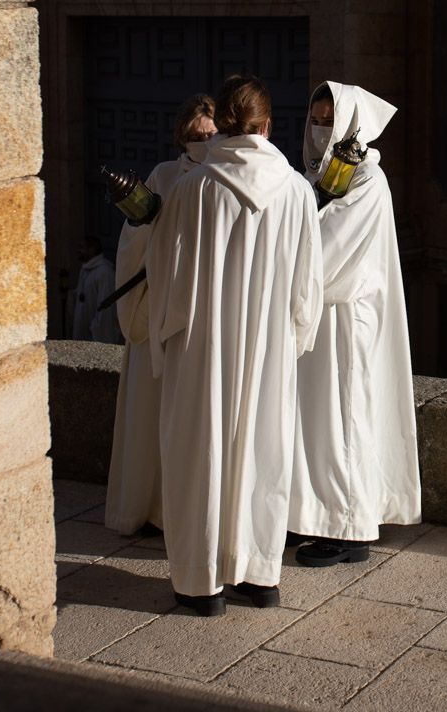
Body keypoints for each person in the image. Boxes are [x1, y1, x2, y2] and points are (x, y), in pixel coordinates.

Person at [144, 75, 324, 615]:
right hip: (267, 346)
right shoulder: (295, 189)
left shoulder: (193, 188)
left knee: (201, 451)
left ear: (222, 124)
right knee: (262, 452)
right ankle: (259, 576)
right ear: (268, 126)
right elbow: (307, 282)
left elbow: (167, 277)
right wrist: (294, 336)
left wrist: (166, 335)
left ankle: (201, 586)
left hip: (203, 347)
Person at [289, 82, 421, 566]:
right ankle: (312, 514)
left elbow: (332, 248)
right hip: (316, 314)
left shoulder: (368, 180)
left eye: (331, 121)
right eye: (316, 120)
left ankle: (350, 527)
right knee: (315, 417)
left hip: (345, 316)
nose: (321, 130)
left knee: (344, 415)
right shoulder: (314, 176)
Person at [105, 94, 216, 535]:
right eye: (193, 136)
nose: (201, 142)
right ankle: (148, 507)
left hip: (200, 311)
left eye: (208, 134)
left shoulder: (226, 177)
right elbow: (138, 235)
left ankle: (181, 510)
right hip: (157, 307)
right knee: (151, 414)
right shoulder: (165, 175)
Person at [70, 236, 121, 343]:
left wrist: (96, 331)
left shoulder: (104, 272)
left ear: (92, 249)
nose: (78, 251)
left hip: (95, 335)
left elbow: (106, 307)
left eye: (81, 247)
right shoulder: (85, 270)